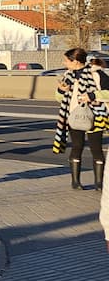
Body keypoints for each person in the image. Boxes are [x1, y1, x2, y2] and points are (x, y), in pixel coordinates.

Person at [54, 47, 107, 191]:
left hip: (95, 116)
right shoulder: (68, 76)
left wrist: (92, 96)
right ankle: (75, 182)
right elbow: (59, 98)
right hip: (73, 117)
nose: (64, 63)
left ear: (76, 61)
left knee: (96, 149)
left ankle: (99, 183)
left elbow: (107, 93)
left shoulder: (96, 74)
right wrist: (61, 91)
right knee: (77, 147)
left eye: (66, 60)